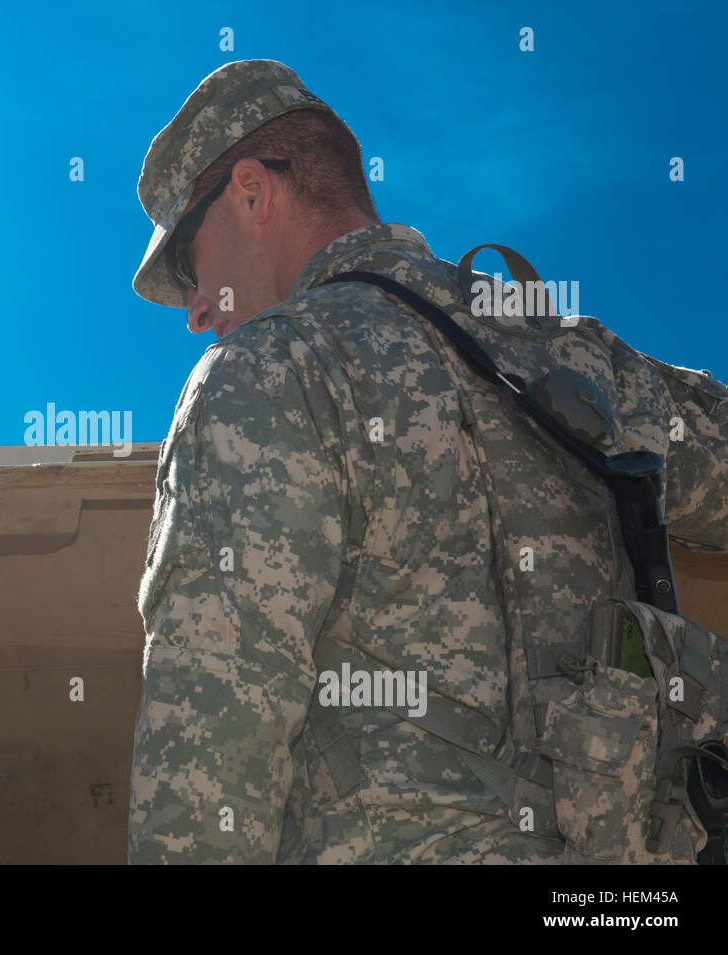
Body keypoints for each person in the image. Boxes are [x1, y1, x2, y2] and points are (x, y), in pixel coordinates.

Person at [126, 59, 728, 863]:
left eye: (190, 264)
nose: (197, 309)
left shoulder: (270, 370)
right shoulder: (568, 354)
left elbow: (209, 754)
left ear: (252, 191)